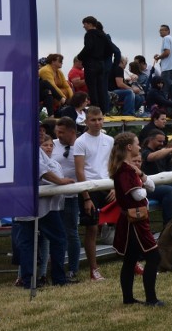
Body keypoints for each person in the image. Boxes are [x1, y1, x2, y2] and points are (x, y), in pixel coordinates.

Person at [108, 132, 163, 306]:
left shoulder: (129, 169)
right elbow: (139, 194)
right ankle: (151, 299)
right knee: (153, 256)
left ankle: (129, 299)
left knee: (130, 258)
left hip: (133, 219)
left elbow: (150, 185)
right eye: (137, 144)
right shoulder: (124, 170)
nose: (140, 147)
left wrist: (141, 175)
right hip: (135, 221)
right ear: (129, 147)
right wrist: (141, 182)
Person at [16, 135, 74, 288]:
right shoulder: (27, 149)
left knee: (29, 243)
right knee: (57, 239)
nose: (48, 146)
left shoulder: (27, 149)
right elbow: (42, 172)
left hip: (33, 204)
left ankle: (30, 280)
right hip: (40, 206)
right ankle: (56, 278)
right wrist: (60, 181)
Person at [73, 106, 114, 281]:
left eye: (100, 119)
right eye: (93, 120)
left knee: (123, 224)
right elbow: (79, 171)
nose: (97, 123)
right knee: (92, 229)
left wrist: (114, 187)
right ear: (86, 121)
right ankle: (94, 269)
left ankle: (131, 260)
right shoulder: (80, 142)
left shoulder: (109, 140)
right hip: (90, 188)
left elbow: (112, 165)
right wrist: (87, 197)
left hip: (107, 186)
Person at [53, 117, 81, 280]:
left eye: (62, 132)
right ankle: (54, 266)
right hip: (54, 195)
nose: (59, 135)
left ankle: (73, 268)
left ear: (72, 132)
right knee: (57, 233)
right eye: (57, 132)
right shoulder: (53, 145)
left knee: (71, 232)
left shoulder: (80, 145)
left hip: (72, 195)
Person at [140, 129, 172, 227]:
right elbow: (151, 157)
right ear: (151, 140)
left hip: (159, 186)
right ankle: (168, 224)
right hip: (146, 187)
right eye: (159, 141)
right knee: (169, 190)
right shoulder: (143, 151)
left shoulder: (162, 153)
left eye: (163, 141)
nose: (162, 143)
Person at [77, 16, 109, 110]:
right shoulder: (103, 35)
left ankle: (95, 108)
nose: (84, 27)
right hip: (101, 63)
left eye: (85, 24)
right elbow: (109, 48)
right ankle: (102, 110)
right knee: (100, 87)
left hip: (91, 64)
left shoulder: (89, 34)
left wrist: (80, 56)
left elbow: (88, 47)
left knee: (92, 88)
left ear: (90, 24)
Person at [154, 24, 172, 101]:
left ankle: (164, 110)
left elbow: (167, 53)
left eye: (162, 30)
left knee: (164, 91)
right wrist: (161, 55)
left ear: (168, 31)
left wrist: (158, 57)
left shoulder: (166, 38)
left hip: (167, 69)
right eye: (160, 30)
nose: (160, 32)